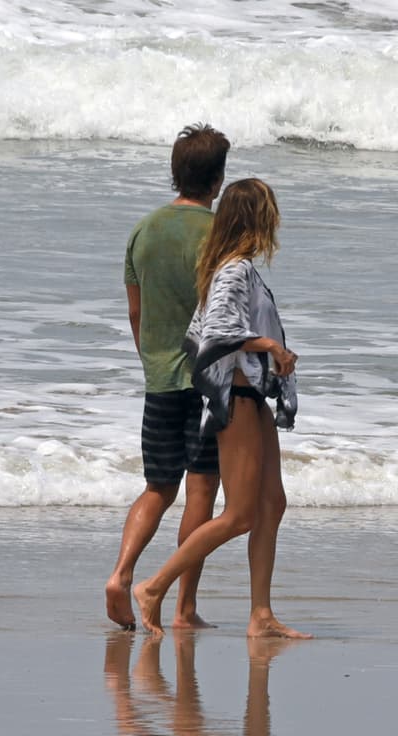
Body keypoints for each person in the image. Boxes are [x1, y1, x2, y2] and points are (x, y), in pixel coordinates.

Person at [132, 178, 310, 640]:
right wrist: (269, 344)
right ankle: (154, 587)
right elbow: (214, 335)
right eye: (271, 211)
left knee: (273, 503)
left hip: (253, 395)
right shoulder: (234, 270)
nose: (276, 220)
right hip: (237, 398)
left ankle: (261, 614)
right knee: (239, 515)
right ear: (257, 218)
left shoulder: (236, 268)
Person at [106, 123, 230, 631]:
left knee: (158, 486)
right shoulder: (219, 233)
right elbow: (227, 312)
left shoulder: (143, 230)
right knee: (202, 490)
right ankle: (183, 608)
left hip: (159, 375)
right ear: (218, 180)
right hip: (207, 378)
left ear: (174, 173)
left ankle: (120, 574)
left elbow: (136, 313)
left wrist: (152, 359)